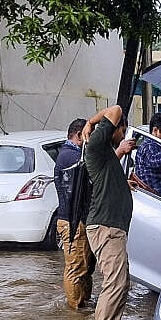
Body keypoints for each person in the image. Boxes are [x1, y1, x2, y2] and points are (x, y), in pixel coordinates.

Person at [80, 105, 136, 320]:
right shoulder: (95, 146)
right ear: (112, 128)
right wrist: (90, 122)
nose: (123, 135)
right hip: (105, 227)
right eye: (122, 129)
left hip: (112, 228)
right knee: (115, 282)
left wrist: (125, 185)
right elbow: (115, 109)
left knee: (121, 283)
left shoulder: (106, 156)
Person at [54, 118, 94, 310]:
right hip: (72, 222)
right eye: (89, 135)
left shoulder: (71, 154)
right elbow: (93, 169)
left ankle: (83, 304)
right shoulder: (70, 156)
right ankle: (75, 313)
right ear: (79, 135)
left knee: (84, 267)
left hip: (76, 221)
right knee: (76, 268)